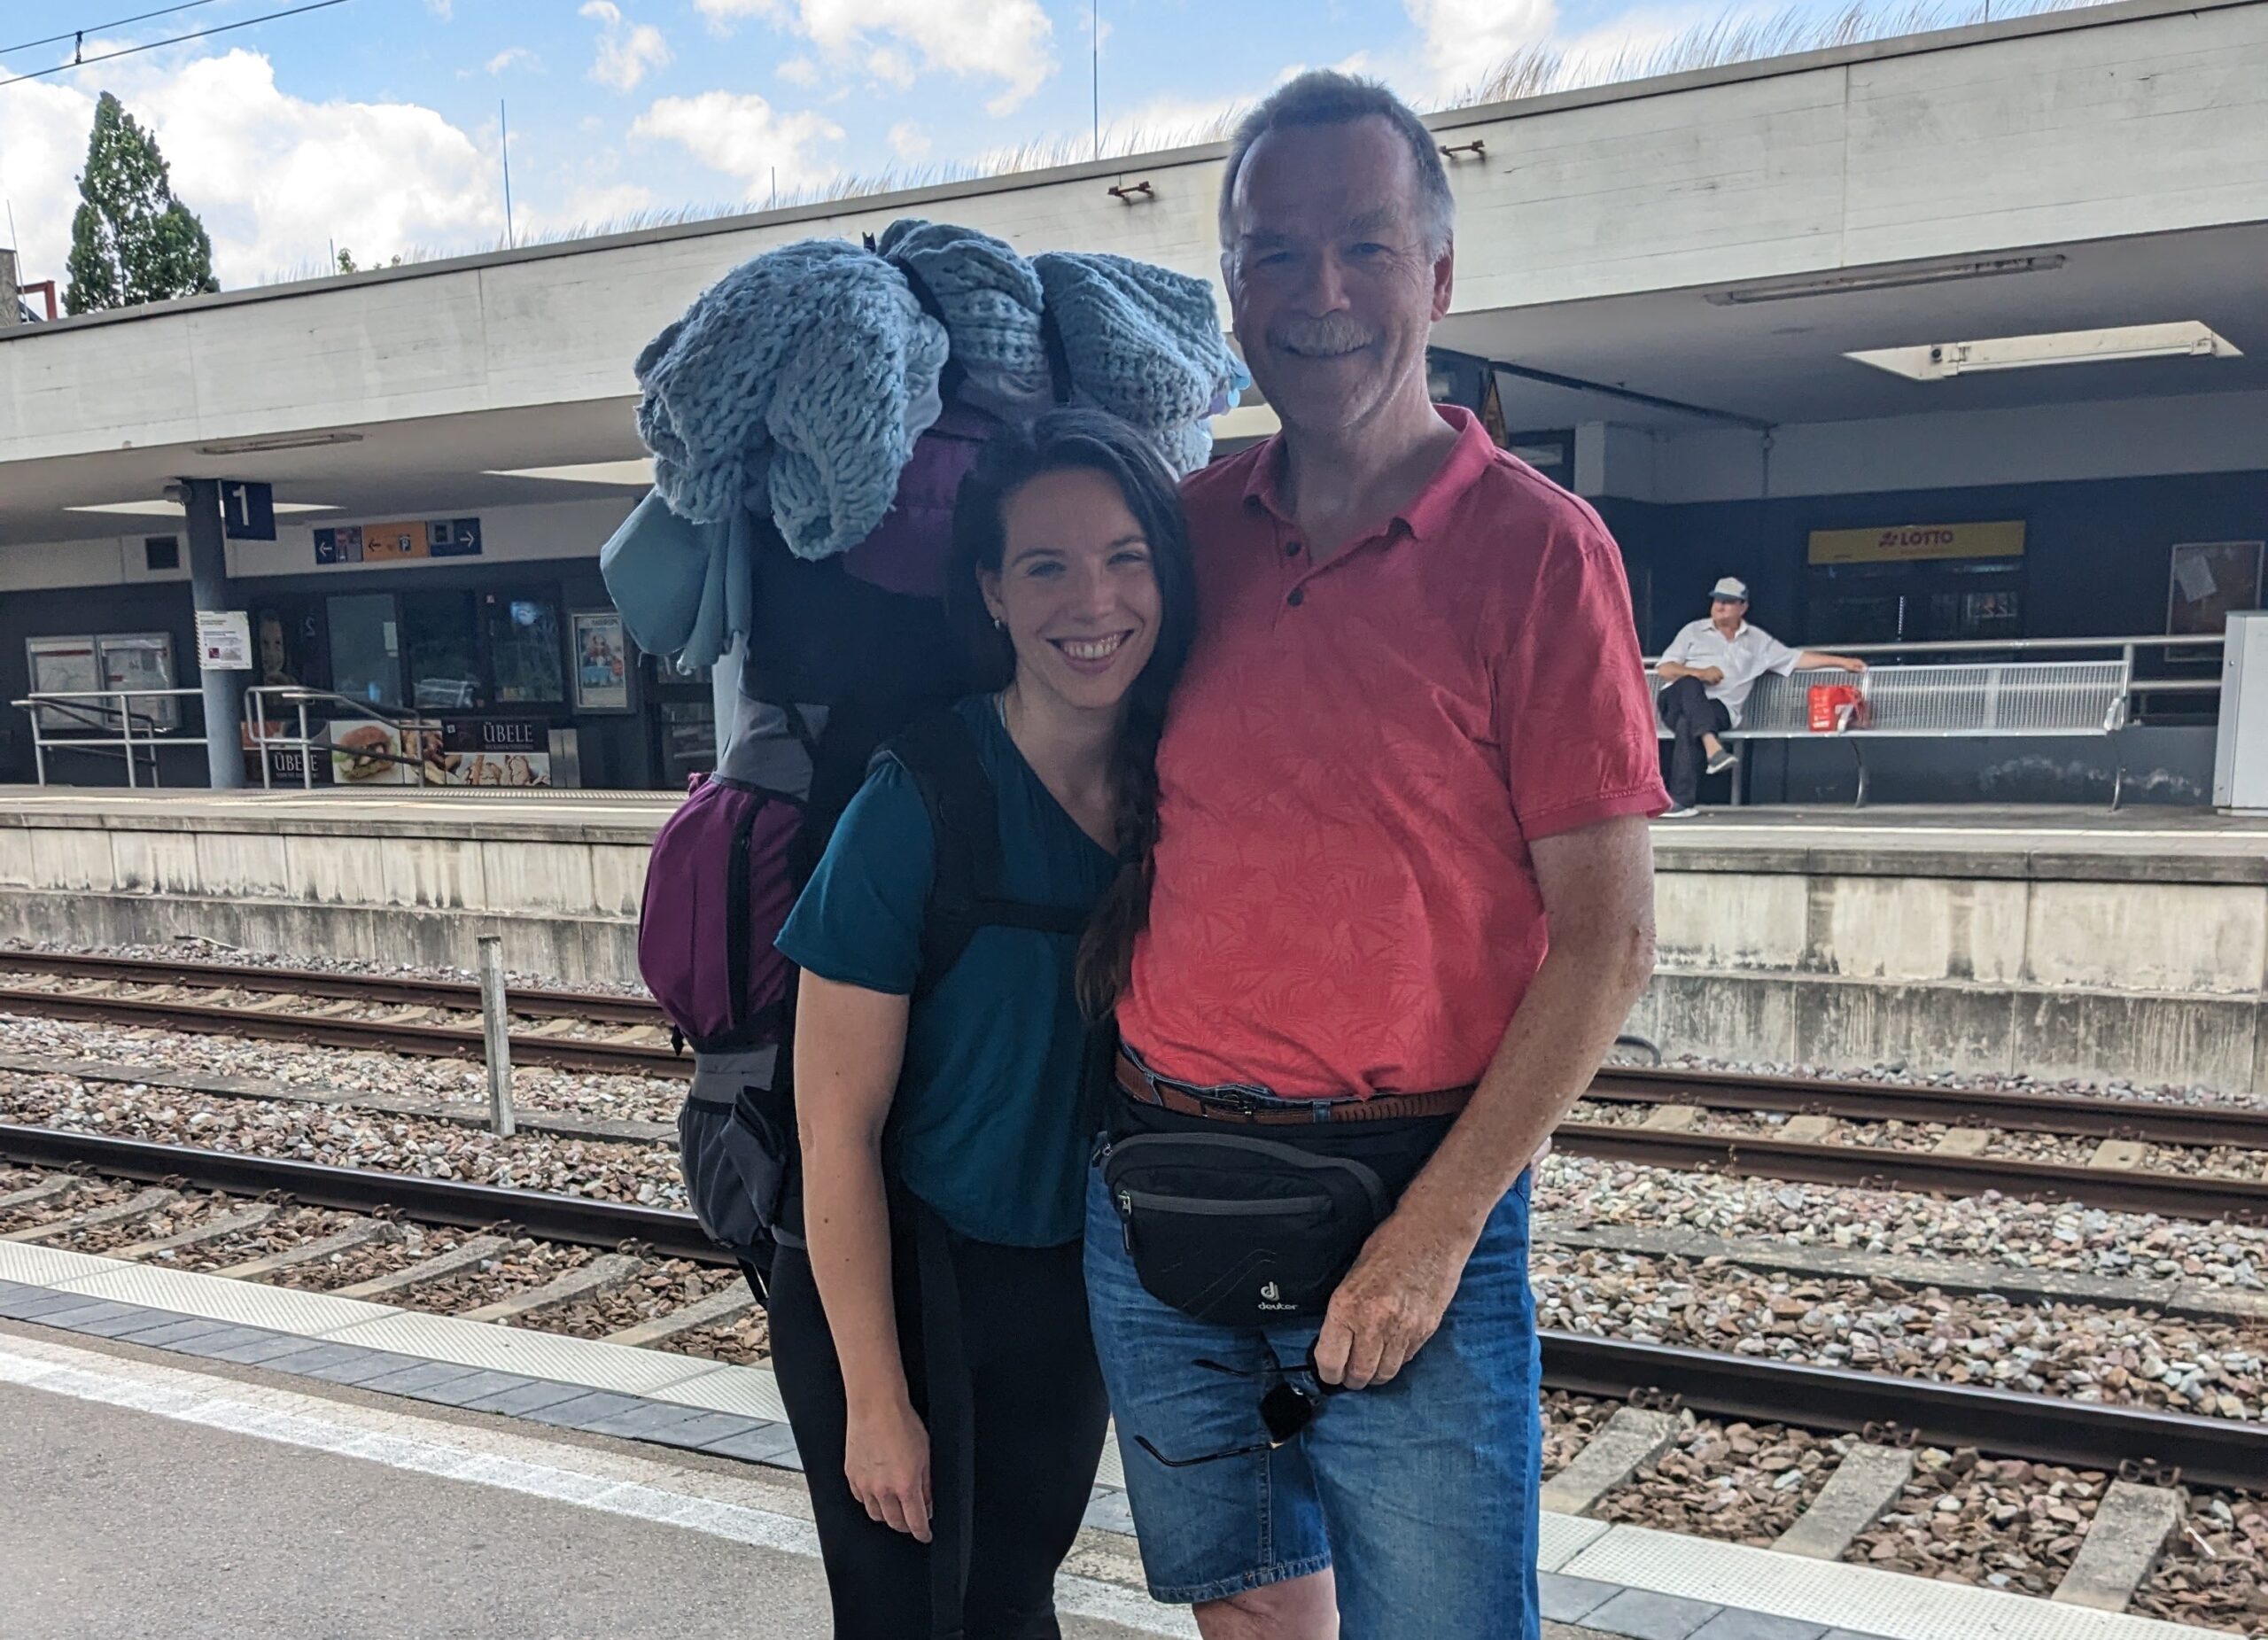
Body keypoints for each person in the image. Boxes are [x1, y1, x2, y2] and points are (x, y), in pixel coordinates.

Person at [1082, 72, 1668, 1640]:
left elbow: (1607, 942)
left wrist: (1435, 1233)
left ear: (1442, 272)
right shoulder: (1181, 534)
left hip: (1411, 1187)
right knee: (1252, 1620)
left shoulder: (1539, 552)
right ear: (1229, 290)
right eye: (1272, 253)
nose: (1318, 293)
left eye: (1364, 245)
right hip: (1159, 1183)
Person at [766, 408, 1198, 1638]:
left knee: (1007, 1601)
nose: (1093, 597)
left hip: (1061, 1290)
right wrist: (876, 1399)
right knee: (909, 1618)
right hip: (895, 1278)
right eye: (1046, 565)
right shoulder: (921, 797)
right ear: (993, 596)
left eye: (1125, 556)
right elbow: (832, 1129)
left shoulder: (1188, 785)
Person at [1655, 576, 1867, 816]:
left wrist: (1842, 662)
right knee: (1690, 684)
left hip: (1720, 709)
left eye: (1728, 601)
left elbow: (1796, 659)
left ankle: (1682, 802)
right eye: (1716, 600)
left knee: (1687, 724)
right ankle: (1712, 747)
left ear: (1743, 607)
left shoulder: (1757, 640)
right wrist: (1700, 673)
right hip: (1675, 700)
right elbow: (1664, 669)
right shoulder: (1693, 631)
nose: (1719, 606)